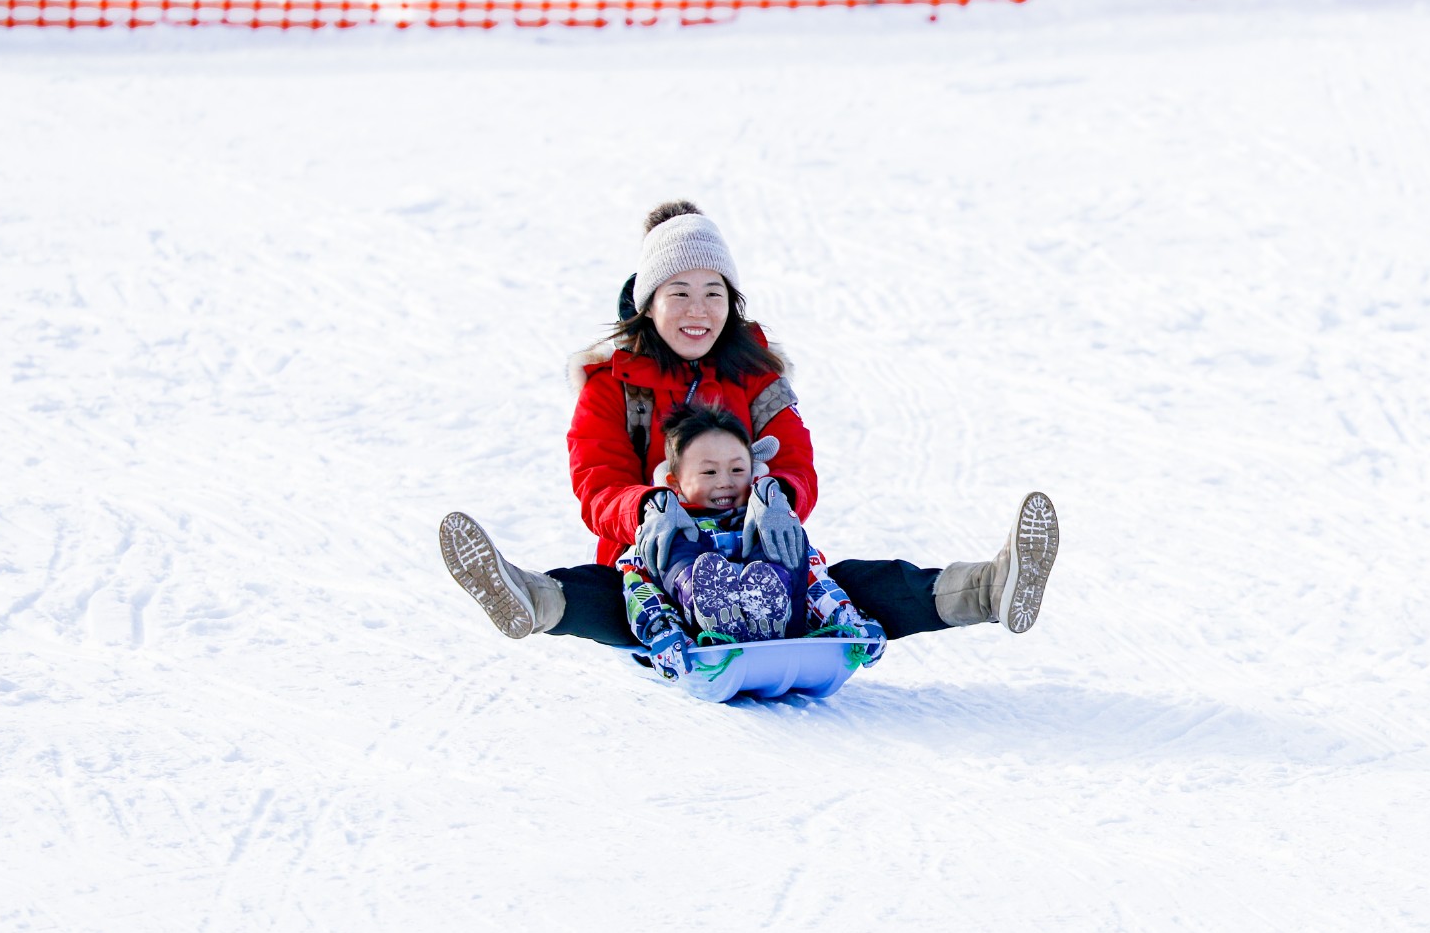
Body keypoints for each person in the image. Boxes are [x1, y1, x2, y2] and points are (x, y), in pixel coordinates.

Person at [438, 200, 1058, 650]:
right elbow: (595, 481)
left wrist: (778, 499)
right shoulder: (611, 387)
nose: (697, 310)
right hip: (658, 562)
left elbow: (794, 457)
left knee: (857, 585)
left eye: (713, 292)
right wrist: (648, 509)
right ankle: (530, 598)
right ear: (648, 303)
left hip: (760, 559)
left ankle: (988, 588)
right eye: (678, 292)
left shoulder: (757, 374)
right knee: (614, 594)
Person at [615, 401, 886, 679]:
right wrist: (662, 629)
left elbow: (814, 577)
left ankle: (767, 614)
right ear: (674, 482)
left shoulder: (766, 521)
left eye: (736, 470)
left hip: (784, 627)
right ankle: (713, 615)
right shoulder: (663, 526)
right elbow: (637, 584)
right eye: (709, 472)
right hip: (698, 636)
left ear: (754, 471)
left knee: (787, 538)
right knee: (663, 546)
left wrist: (845, 617)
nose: (725, 482)